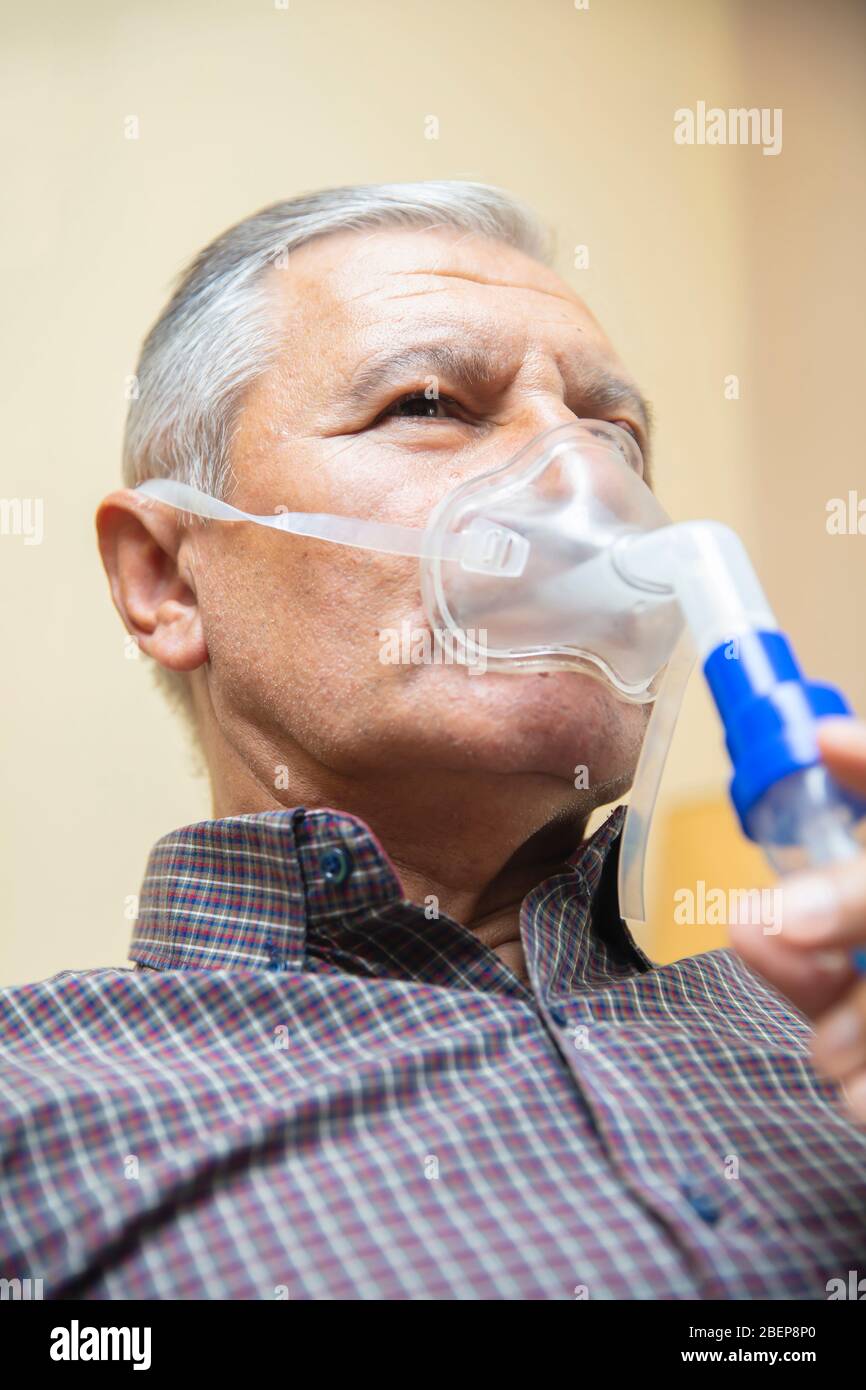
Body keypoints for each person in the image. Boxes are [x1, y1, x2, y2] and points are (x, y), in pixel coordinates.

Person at [3, 182, 865, 1299]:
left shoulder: (823, 1024)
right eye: (429, 401)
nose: (587, 487)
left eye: (615, 435)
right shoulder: (33, 1116)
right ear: (166, 577)